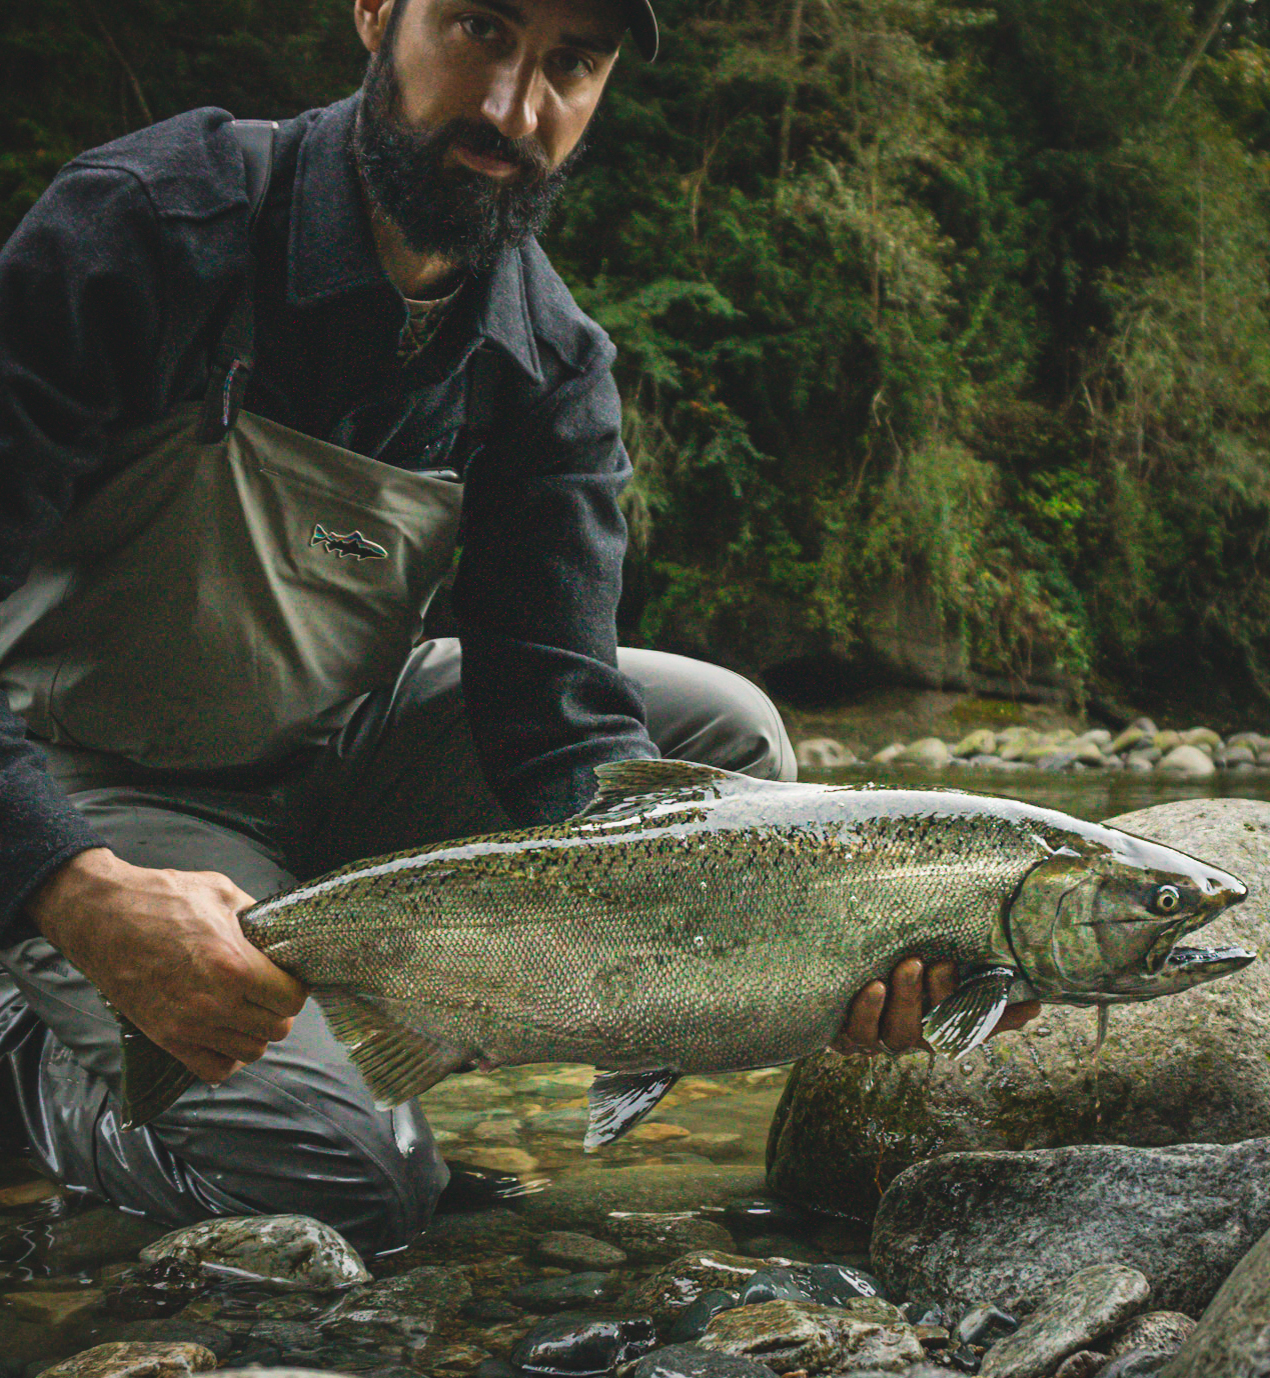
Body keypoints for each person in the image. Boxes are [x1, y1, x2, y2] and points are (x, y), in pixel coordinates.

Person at [0, 0, 1036, 1253]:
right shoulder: (152, 224)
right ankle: (30, 1046)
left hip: (330, 766)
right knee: (354, 1198)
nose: (512, 106)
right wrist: (72, 887)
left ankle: (371, 1042)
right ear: (378, 11)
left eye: (569, 64)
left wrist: (853, 950)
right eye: (480, 32)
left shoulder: (546, 359)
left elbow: (563, 730)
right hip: (82, 779)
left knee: (725, 759)